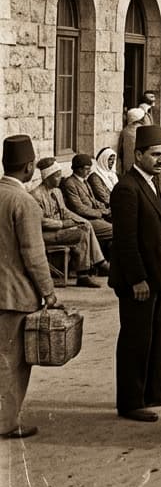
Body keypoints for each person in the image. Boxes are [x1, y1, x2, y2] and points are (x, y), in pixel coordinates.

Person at [108, 124, 161, 423]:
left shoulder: (152, 184)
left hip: (157, 277)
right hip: (138, 280)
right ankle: (131, 401)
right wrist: (137, 279)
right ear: (138, 155)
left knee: (160, 334)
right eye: (154, 154)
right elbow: (125, 240)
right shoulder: (127, 188)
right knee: (136, 338)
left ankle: (154, 391)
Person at [0, 135, 60, 439]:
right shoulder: (24, 202)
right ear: (29, 167)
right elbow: (34, 256)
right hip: (13, 296)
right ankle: (6, 422)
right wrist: (49, 292)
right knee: (12, 363)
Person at [31, 160, 105, 287]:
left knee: (85, 225)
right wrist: (63, 224)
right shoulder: (36, 195)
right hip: (45, 234)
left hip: (58, 230)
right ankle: (84, 274)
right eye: (57, 175)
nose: (60, 178)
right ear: (48, 177)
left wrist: (80, 220)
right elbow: (41, 221)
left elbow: (65, 211)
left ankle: (95, 265)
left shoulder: (57, 191)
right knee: (81, 233)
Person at [61, 153, 114, 246]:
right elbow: (79, 208)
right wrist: (100, 213)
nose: (89, 171)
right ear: (79, 169)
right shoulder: (70, 183)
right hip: (85, 220)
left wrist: (105, 208)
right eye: (87, 169)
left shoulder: (84, 181)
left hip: (95, 216)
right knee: (114, 230)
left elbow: (93, 200)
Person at [117, 107, 146, 178]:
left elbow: (120, 150)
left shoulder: (125, 131)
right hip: (141, 164)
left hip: (127, 166)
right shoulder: (144, 130)